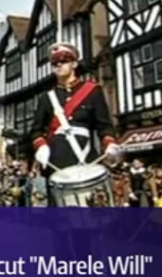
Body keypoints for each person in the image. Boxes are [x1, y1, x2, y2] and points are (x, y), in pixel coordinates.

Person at [28, 43, 121, 206]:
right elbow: (36, 131)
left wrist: (110, 144)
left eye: (63, 61)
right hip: (57, 162)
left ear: (74, 64)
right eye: (54, 63)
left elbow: (104, 125)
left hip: (86, 158)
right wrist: (41, 147)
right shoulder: (47, 98)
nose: (58, 65)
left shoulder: (92, 91)